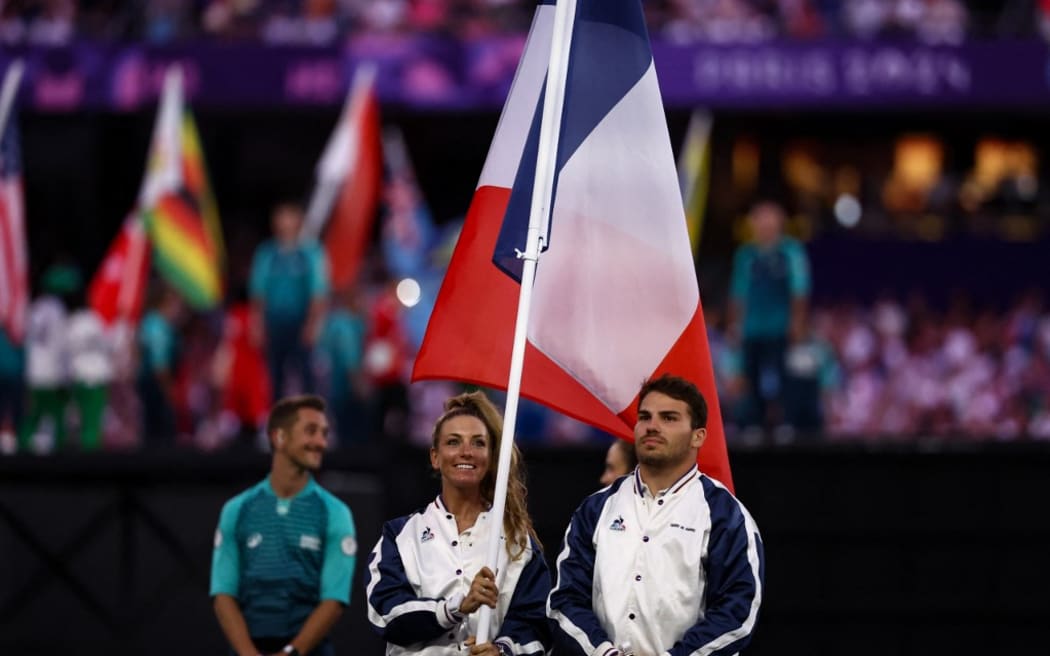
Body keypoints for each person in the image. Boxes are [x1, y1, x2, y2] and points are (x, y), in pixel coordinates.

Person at [548, 374, 764, 656]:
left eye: (669, 418)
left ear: (698, 436)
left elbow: (738, 614)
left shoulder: (725, 514)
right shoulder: (596, 508)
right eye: (645, 417)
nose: (652, 426)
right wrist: (602, 652)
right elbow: (565, 600)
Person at [365, 391, 551, 656]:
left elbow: (537, 625)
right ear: (435, 457)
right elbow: (386, 614)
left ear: (489, 457)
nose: (466, 452)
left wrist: (502, 651)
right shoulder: (400, 535)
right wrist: (457, 607)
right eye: (453, 442)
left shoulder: (518, 542)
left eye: (478, 443)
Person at [210, 394, 357, 656]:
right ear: (279, 438)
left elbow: (334, 601)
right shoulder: (237, 510)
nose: (321, 442)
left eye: (324, 433)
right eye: (311, 431)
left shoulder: (335, 513)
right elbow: (223, 594)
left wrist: (291, 652)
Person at [728, 200, 811, 433]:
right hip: (752, 328)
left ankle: (785, 423)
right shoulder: (746, 255)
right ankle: (753, 423)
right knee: (751, 377)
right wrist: (735, 324)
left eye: (769, 219)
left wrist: (797, 323)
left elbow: (800, 291)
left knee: (784, 377)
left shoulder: (791, 252)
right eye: (760, 219)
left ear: (780, 222)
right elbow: (738, 293)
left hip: (780, 327)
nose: (764, 225)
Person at [249, 202, 329, 400]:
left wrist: (313, 324)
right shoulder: (267, 253)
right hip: (275, 322)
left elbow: (318, 291)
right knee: (275, 376)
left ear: (298, 220)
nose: (284, 222)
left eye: (288, 216)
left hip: (300, 322)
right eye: (280, 217)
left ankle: (311, 422)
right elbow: (258, 292)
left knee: (306, 374)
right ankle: (277, 423)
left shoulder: (310, 252)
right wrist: (257, 324)